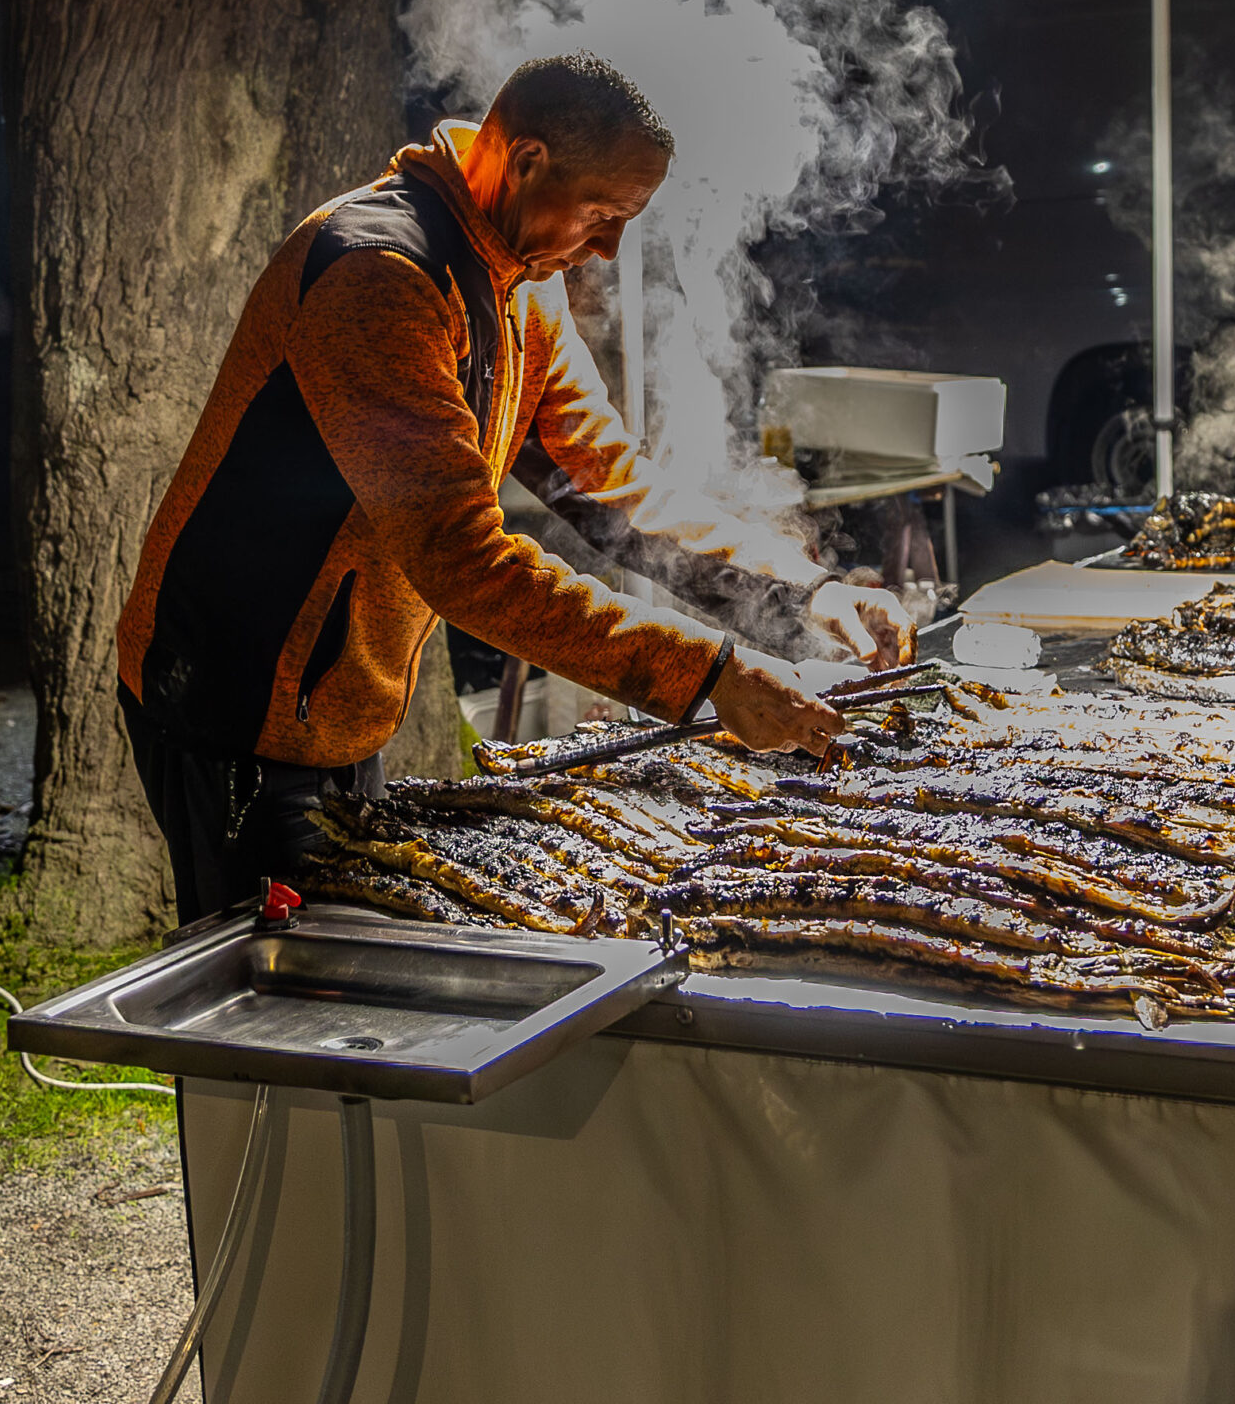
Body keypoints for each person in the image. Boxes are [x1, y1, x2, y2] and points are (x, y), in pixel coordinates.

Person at [114, 52, 912, 920]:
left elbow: (604, 482)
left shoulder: (524, 281)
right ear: (526, 161)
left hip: (336, 699)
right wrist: (708, 673)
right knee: (272, 999)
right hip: (236, 696)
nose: (606, 248)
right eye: (602, 214)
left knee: (348, 963)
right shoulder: (376, 278)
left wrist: (807, 592)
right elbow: (464, 562)